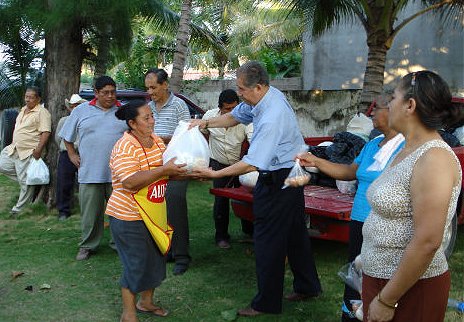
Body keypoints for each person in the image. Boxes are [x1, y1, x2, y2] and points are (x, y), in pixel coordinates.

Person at [191, 61, 322, 316]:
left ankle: (266, 303)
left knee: (267, 240)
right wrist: (203, 125)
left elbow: (252, 163)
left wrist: (215, 173)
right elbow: (233, 116)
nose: (239, 93)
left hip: (279, 177)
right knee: (295, 233)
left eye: (242, 89)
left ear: (259, 87)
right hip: (290, 173)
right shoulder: (263, 99)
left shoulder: (271, 116)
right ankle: (308, 286)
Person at [360, 71, 462, 322]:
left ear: (410, 105)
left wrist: (387, 300)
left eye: (393, 97)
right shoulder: (406, 149)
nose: (388, 104)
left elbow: (428, 240)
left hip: (410, 289)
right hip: (382, 279)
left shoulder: (434, 158)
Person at [297, 95, 405, 321]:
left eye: (377, 109)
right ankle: (351, 314)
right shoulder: (373, 144)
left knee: (377, 277)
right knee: (355, 273)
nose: (372, 113)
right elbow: (349, 172)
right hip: (359, 221)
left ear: (395, 112)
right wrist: (316, 161)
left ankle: (377, 312)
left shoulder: (405, 148)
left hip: (383, 225)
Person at [106, 100, 187, 322]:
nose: (153, 121)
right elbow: (131, 182)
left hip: (154, 214)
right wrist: (163, 169)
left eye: (152, 116)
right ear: (132, 123)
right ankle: (128, 314)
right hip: (128, 216)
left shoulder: (156, 140)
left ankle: (146, 302)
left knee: (156, 259)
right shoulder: (124, 147)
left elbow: (167, 171)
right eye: (147, 118)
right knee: (137, 264)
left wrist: (194, 172)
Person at [59, 76, 128, 261]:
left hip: (119, 174)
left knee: (120, 212)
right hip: (90, 172)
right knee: (90, 215)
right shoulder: (81, 110)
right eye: (105, 92)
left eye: (113, 92)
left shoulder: (123, 111)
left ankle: (119, 243)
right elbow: (67, 136)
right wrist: (72, 155)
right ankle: (88, 245)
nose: (110, 96)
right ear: (96, 93)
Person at [144, 68, 192, 275]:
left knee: (175, 205)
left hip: (177, 167)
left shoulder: (179, 106)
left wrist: (161, 139)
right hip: (154, 168)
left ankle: (182, 256)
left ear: (165, 85)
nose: (150, 92)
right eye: (148, 88)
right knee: (157, 210)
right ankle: (167, 250)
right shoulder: (147, 108)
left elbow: (187, 135)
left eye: (154, 87)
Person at [201, 89, 254, 249]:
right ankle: (221, 236)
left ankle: (249, 230)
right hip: (218, 163)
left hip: (240, 165)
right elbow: (202, 133)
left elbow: (253, 140)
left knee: (245, 198)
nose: (232, 112)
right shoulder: (209, 116)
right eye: (227, 109)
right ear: (220, 109)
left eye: (234, 108)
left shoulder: (246, 119)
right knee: (221, 200)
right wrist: (205, 158)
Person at [0, 86, 51, 216]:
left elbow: (45, 132)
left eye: (31, 97)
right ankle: (31, 182)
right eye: (26, 97)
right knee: (3, 165)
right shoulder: (23, 110)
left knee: (25, 181)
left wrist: (38, 150)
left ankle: (19, 210)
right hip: (14, 148)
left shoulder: (42, 112)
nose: (27, 100)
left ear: (38, 99)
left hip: (28, 151)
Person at [55, 94, 86, 221]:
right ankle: (63, 211)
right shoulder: (64, 121)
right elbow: (58, 138)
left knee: (86, 183)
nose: (74, 108)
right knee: (64, 182)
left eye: (77, 106)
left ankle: (86, 208)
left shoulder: (86, 121)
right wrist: (67, 150)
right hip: (66, 153)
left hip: (84, 153)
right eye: (72, 106)